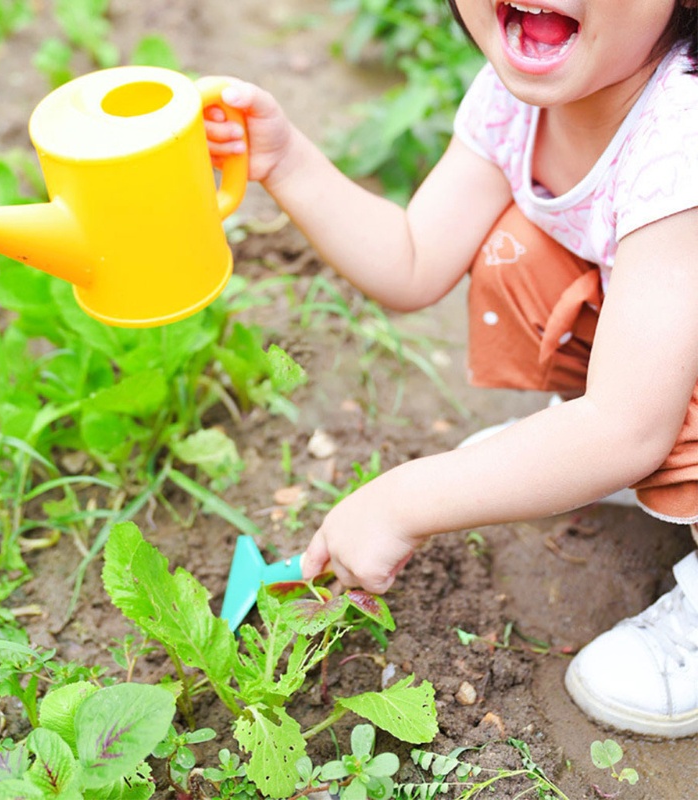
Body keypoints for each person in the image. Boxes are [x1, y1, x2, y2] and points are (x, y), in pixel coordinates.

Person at [204, 0, 698, 738]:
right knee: (520, 253)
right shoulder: (523, 99)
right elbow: (413, 258)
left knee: (633, 418)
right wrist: (286, 162)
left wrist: (400, 503)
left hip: (646, 403)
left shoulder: (683, 136)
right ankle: (608, 464)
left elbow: (627, 426)